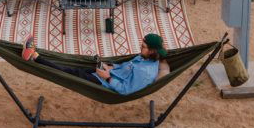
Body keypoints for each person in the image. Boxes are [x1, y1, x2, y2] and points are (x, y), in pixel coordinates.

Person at [21, 33, 170, 95]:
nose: (140, 48)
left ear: (152, 51)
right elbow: (126, 67)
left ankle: (34, 55)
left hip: (104, 84)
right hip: (107, 74)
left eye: (143, 47)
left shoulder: (145, 73)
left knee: (67, 72)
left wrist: (107, 77)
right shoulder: (145, 58)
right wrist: (112, 67)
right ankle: (36, 55)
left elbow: (125, 89)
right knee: (74, 66)